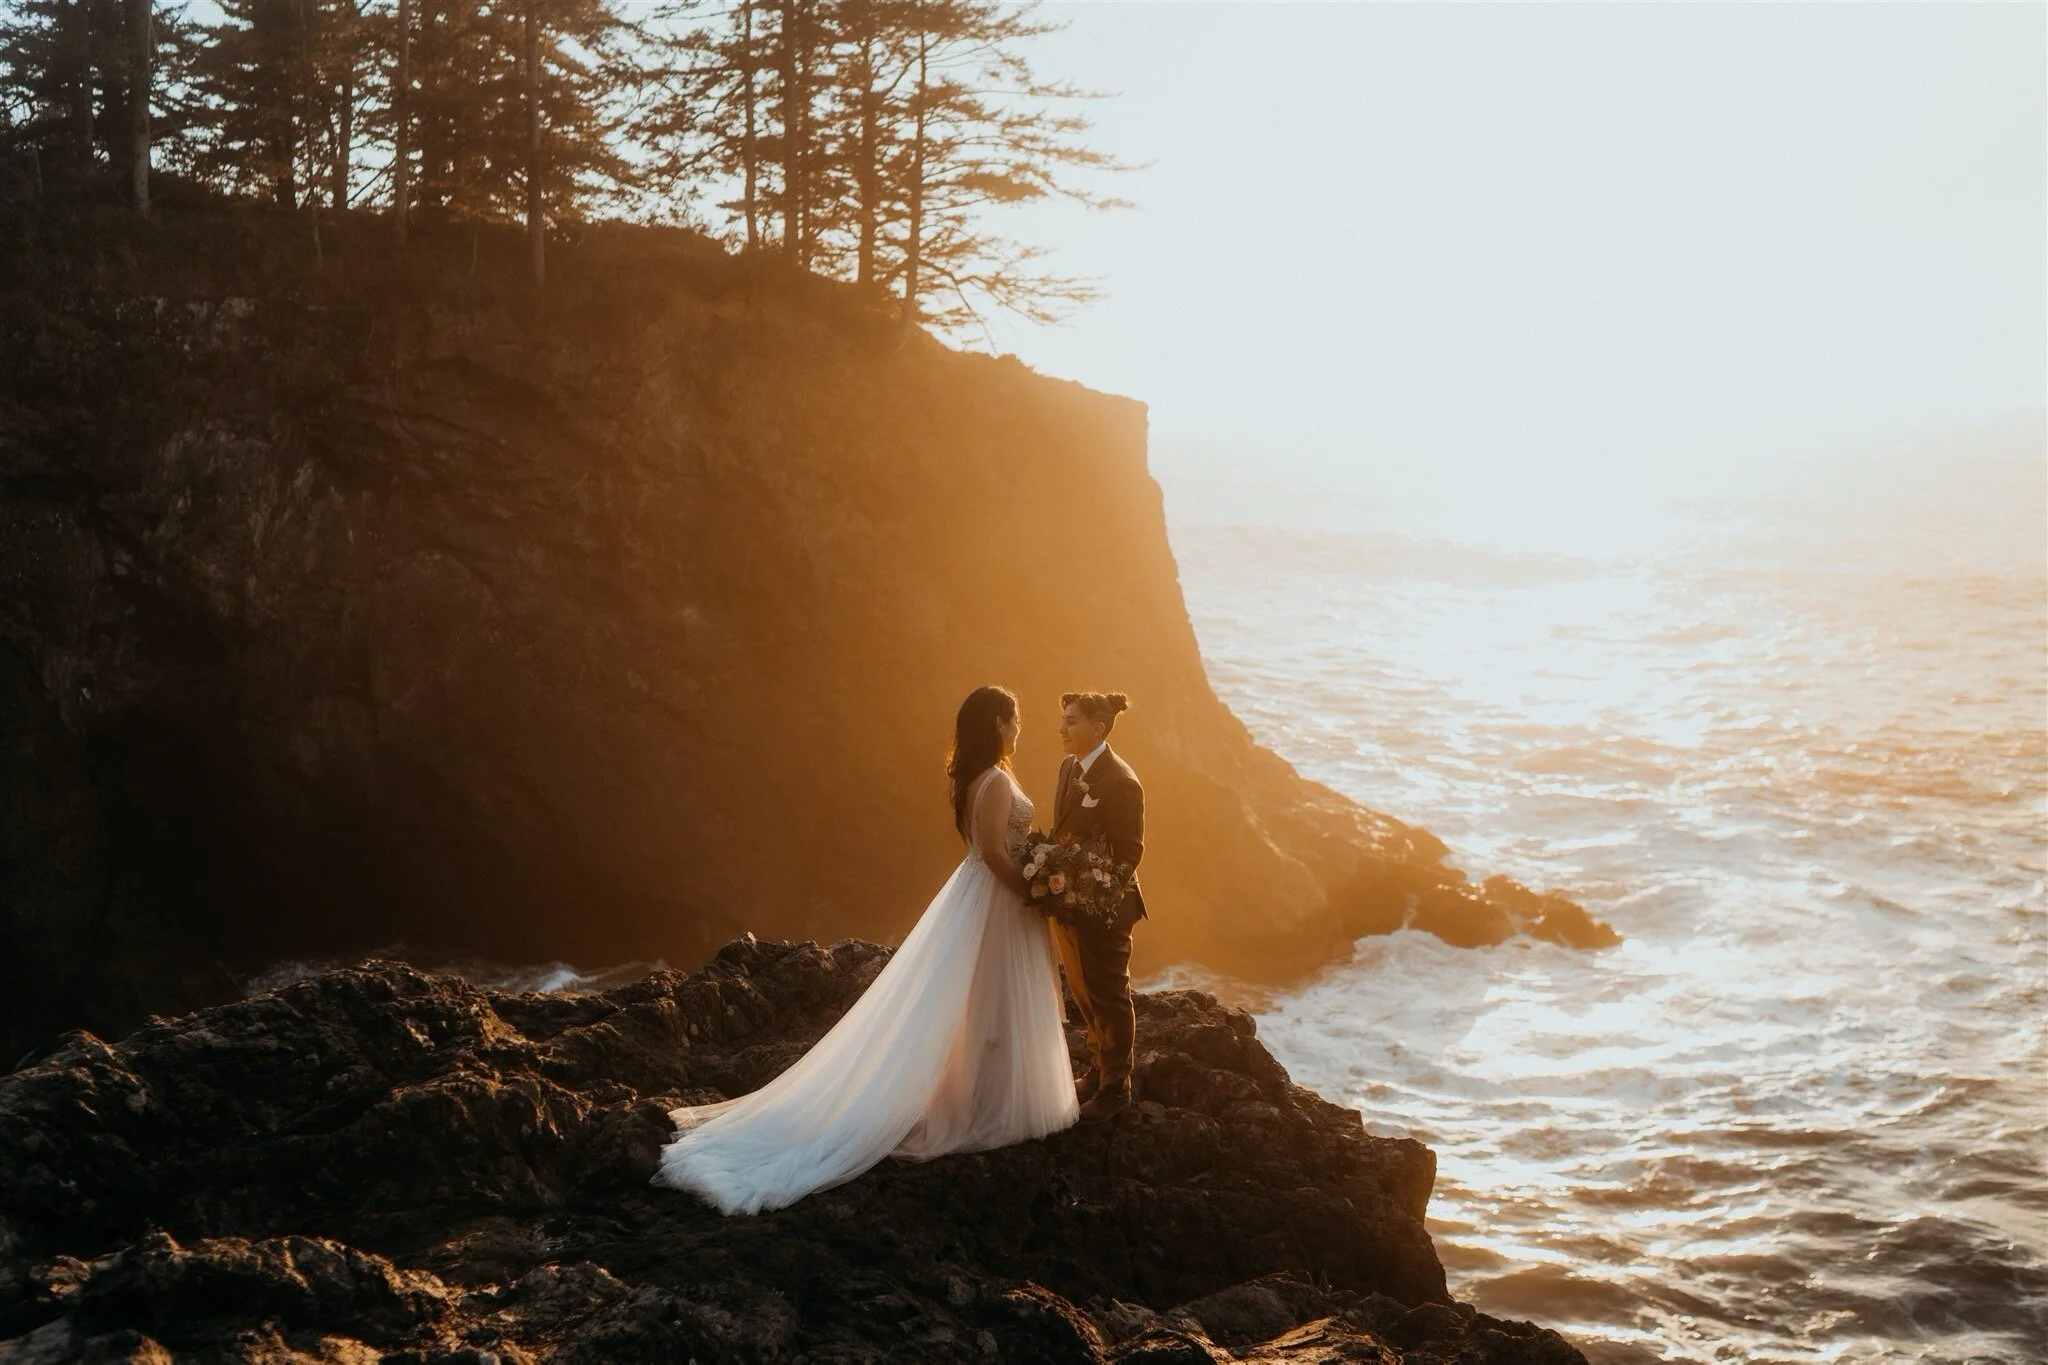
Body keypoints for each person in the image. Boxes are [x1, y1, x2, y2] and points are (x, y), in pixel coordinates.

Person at [651, 685, 1078, 1215]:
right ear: (997, 722)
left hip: (987, 899)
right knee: (990, 998)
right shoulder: (992, 780)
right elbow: (992, 852)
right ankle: (983, 1104)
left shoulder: (985, 777)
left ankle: (985, 1094)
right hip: (997, 899)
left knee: (984, 1000)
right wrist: (1032, 892)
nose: (1019, 729)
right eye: (1015, 720)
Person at [1047, 691, 1147, 1123]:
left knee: (1110, 995)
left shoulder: (1122, 781)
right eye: (1064, 720)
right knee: (1083, 991)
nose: (1062, 729)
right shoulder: (1069, 767)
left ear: (1098, 728)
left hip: (1107, 909)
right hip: (1069, 903)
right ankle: (1097, 1068)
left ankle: (1115, 1088)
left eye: (1071, 721)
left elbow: (1130, 853)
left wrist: (1097, 897)